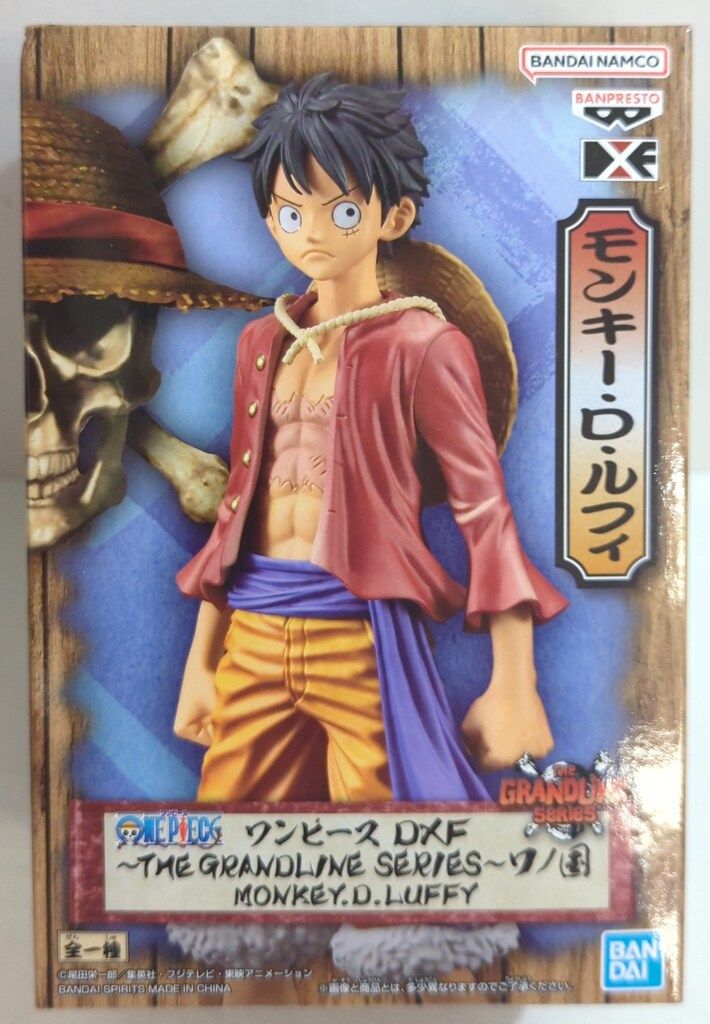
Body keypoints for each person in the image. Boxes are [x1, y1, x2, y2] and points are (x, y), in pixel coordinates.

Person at [174, 73, 568, 803]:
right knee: (227, 845)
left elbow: (484, 511)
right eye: (290, 212)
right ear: (270, 218)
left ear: (395, 215)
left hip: (359, 634)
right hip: (253, 632)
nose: (313, 232)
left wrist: (515, 681)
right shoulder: (263, 342)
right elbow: (238, 508)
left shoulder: (423, 344)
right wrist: (201, 659)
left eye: (344, 210)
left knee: (397, 838)